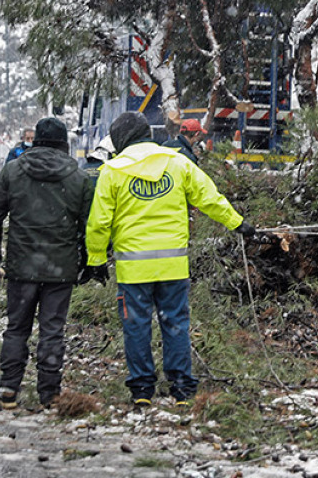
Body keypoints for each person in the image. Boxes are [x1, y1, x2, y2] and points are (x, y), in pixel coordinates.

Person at [85, 112, 256, 409]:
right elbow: (209, 197)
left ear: (121, 139)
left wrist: (96, 259)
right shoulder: (177, 163)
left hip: (133, 269)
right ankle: (181, 389)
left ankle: (142, 389)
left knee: (136, 328)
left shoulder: (112, 171)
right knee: (175, 323)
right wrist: (237, 223)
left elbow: (99, 222)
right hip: (173, 266)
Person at [0, 118, 93, 410]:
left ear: (35, 141)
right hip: (61, 267)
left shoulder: (13, 171)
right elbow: (89, 225)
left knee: (17, 327)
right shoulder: (78, 178)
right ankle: (49, 393)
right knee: (53, 330)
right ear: (63, 144)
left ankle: (8, 387)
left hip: (21, 265)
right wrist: (90, 262)